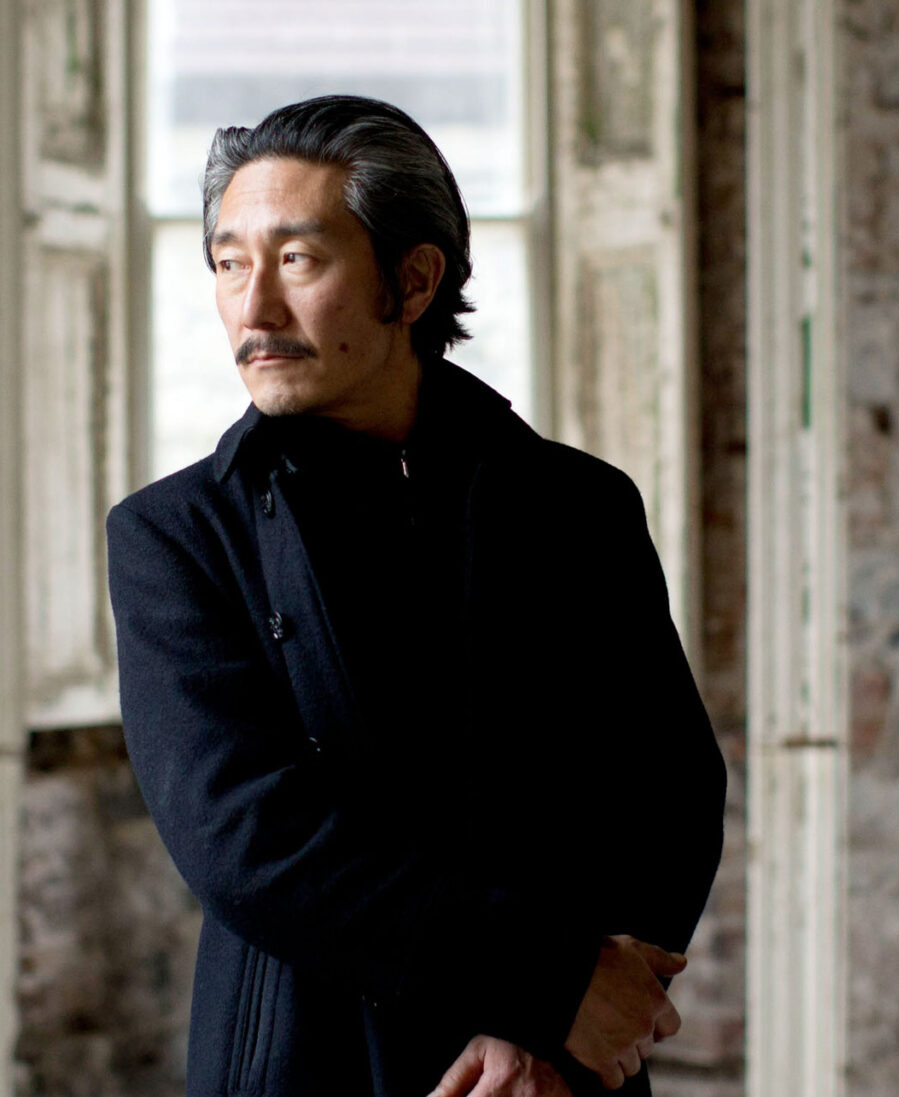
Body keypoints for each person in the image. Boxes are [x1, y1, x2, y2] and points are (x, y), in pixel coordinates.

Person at [106, 95, 725, 1097]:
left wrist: (552, 1040)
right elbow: (246, 841)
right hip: (305, 1057)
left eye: (298, 260)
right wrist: (549, 983)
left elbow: (667, 790)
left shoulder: (581, 506)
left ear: (414, 278)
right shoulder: (173, 537)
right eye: (228, 263)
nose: (252, 307)